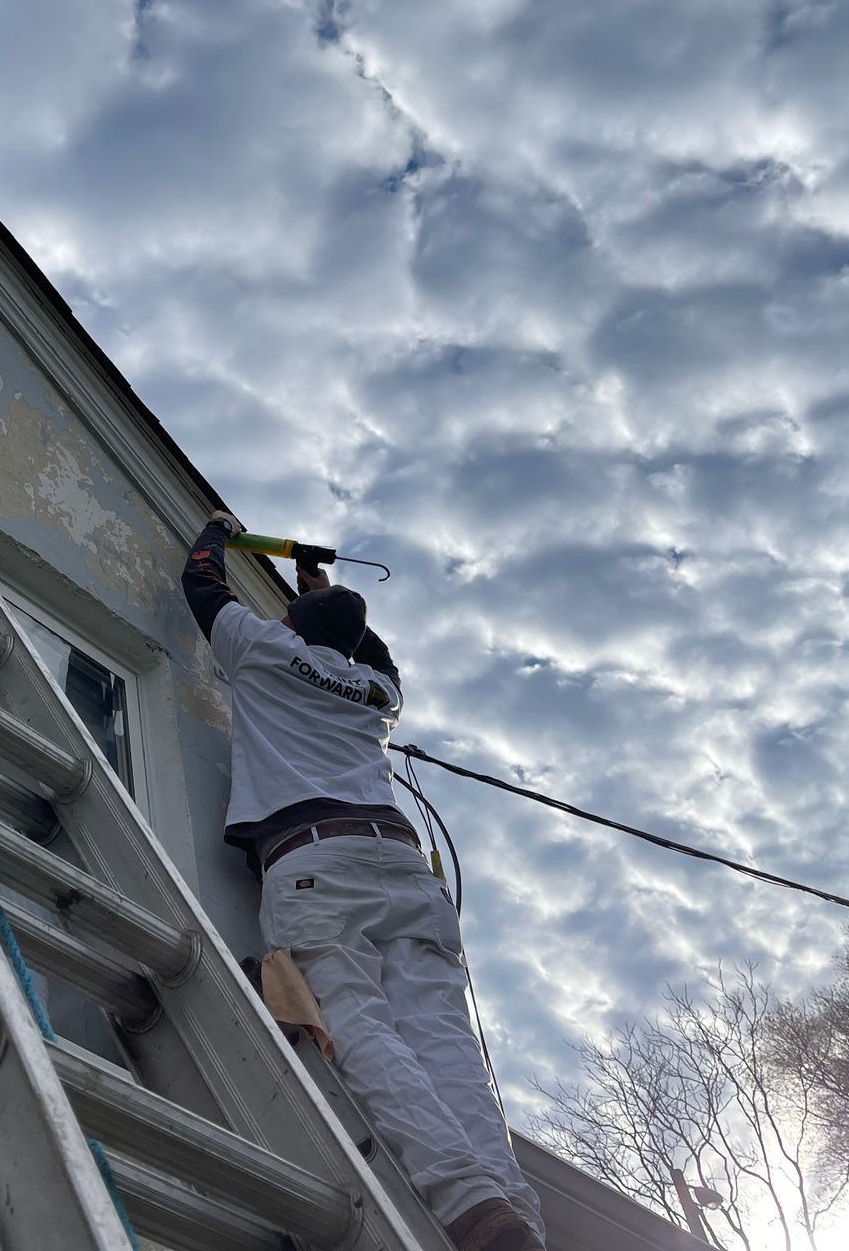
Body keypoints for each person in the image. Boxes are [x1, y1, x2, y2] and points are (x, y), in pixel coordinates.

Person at [181, 509, 546, 1251]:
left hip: (317, 859)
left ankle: (471, 1203)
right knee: (445, 1041)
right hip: (401, 864)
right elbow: (376, 654)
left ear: (291, 623)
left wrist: (217, 529)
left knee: (356, 1020)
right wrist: (321, 591)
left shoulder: (262, 648)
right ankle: (515, 1216)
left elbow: (202, 583)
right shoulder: (379, 693)